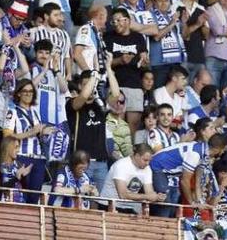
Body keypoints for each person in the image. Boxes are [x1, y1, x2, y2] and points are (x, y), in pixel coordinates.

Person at [67, 61, 121, 194]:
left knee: (100, 201)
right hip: (82, 162)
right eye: (86, 84)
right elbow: (84, 96)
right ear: (80, 86)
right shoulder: (72, 103)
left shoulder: (99, 104)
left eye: (93, 85)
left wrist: (108, 68)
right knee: (80, 199)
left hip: (101, 163)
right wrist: (94, 75)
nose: (90, 87)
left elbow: (116, 95)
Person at [149, 133, 227, 217]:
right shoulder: (195, 154)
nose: (223, 152)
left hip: (165, 172)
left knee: (172, 205)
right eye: (223, 150)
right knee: (165, 201)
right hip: (157, 166)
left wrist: (200, 202)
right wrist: (192, 203)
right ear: (219, 149)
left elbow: (197, 182)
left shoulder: (204, 153)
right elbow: (184, 181)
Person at [100, 143, 164, 213]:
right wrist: (148, 196)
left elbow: (149, 192)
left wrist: (157, 197)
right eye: (145, 160)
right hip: (109, 205)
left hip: (130, 206)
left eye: (149, 161)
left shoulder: (147, 169)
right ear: (136, 156)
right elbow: (123, 195)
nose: (147, 163)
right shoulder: (121, 165)